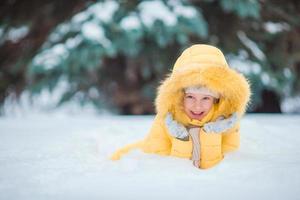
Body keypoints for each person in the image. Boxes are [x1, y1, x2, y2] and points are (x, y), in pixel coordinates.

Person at [110, 44, 251, 169]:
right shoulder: (168, 121)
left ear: (217, 99)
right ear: (179, 95)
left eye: (206, 98)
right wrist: (181, 139)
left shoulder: (226, 122)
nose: (197, 106)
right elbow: (161, 164)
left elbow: (225, 166)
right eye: (190, 97)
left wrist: (212, 134)